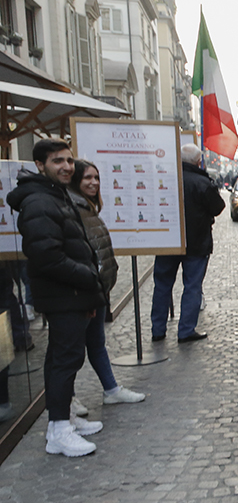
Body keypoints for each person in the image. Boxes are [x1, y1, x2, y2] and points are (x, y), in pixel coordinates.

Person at [9, 139, 105, 456]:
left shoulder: (56, 195)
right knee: (65, 360)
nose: (66, 167)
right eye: (57, 161)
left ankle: (59, 423)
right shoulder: (40, 201)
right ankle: (60, 430)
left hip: (71, 294)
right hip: (64, 294)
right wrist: (88, 278)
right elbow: (47, 257)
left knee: (62, 358)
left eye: (68, 160)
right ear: (40, 165)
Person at [68, 160, 145, 413]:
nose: (94, 182)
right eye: (87, 178)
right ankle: (66, 399)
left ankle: (111, 389)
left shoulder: (88, 208)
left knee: (96, 342)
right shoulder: (72, 208)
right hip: (84, 291)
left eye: (96, 177)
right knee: (72, 350)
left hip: (97, 289)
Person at [150, 143, 225, 343]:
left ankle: (157, 329)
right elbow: (218, 207)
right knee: (192, 286)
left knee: (162, 285)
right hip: (197, 242)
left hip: (167, 240)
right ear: (198, 162)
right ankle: (185, 330)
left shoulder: (165, 179)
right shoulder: (202, 182)